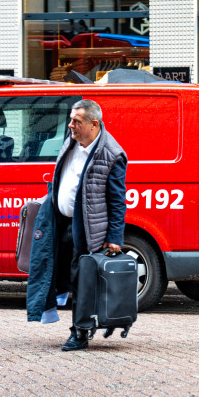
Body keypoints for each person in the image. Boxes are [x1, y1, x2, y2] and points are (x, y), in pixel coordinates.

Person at [25, 99, 128, 352]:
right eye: (71, 119)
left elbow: (117, 200)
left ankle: (80, 332)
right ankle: (79, 323)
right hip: (60, 223)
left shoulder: (112, 154)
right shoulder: (71, 142)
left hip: (87, 230)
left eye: (76, 121)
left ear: (94, 124)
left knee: (81, 280)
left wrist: (114, 237)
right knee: (55, 272)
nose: (70, 125)